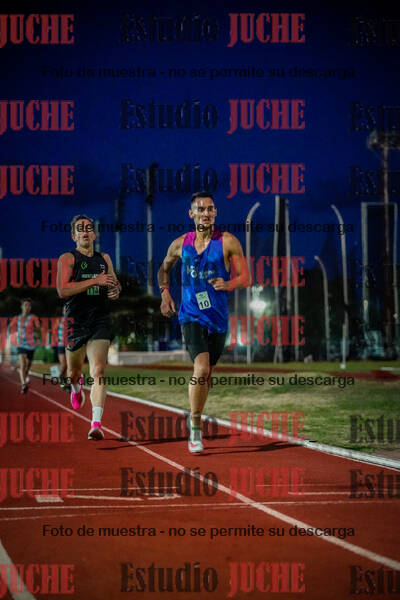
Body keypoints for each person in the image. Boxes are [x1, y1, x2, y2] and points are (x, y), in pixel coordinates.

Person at [158, 191, 249, 452]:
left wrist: (228, 284)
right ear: (191, 214)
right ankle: (195, 427)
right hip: (190, 315)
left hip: (218, 318)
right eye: (200, 209)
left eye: (210, 209)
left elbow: (245, 278)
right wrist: (165, 293)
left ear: (215, 212)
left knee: (207, 374)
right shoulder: (180, 244)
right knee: (200, 369)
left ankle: (195, 416)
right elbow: (164, 268)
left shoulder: (228, 241)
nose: (206, 213)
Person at [57, 214, 121, 440]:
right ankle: (76, 389)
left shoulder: (105, 259)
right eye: (80, 229)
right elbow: (62, 290)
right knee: (73, 373)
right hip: (75, 322)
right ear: (74, 236)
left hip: (99, 321)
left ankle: (96, 423)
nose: (85, 231)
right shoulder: (67, 258)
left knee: (99, 370)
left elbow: (114, 284)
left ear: (94, 234)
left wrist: (115, 290)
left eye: (88, 228)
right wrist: (94, 281)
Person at [11, 298, 40, 394]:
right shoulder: (17, 318)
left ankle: (25, 377)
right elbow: (11, 328)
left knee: (28, 365)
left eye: (29, 305)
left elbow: (38, 330)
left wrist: (34, 331)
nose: (27, 307)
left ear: (30, 307)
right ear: (22, 307)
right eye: (25, 305)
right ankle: (24, 384)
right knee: (23, 364)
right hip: (21, 344)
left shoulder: (34, 318)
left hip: (31, 344)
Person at [51, 305, 71, 392]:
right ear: (63, 311)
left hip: (70, 346)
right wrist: (56, 339)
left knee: (69, 366)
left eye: (68, 309)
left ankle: (67, 384)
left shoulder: (72, 320)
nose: (66, 311)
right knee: (64, 365)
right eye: (65, 309)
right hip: (61, 345)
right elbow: (54, 331)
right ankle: (62, 379)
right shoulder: (59, 320)